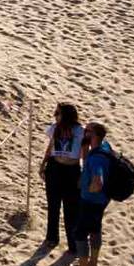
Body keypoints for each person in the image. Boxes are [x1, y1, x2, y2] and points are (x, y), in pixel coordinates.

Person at [65, 122, 114, 266]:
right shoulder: (104, 147)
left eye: (87, 131)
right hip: (102, 200)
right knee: (95, 230)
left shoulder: (97, 159)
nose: (84, 133)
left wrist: (88, 190)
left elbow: (97, 180)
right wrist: (85, 150)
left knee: (79, 234)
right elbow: (89, 165)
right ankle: (92, 265)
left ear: (94, 135)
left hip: (91, 201)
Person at [40, 103, 85, 253]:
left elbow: (85, 155)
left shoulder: (80, 131)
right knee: (53, 205)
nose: (55, 115)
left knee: (71, 209)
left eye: (57, 113)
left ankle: (73, 244)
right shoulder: (54, 128)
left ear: (66, 115)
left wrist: (83, 176)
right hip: (54, 168)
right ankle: (52, 238)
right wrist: (43, 164)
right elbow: (51, 146)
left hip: (72, 171)